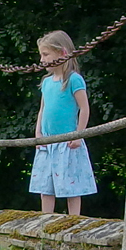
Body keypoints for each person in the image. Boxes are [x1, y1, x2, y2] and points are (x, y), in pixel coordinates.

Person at [30, 30, 96, 215]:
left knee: (71, 184)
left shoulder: (73, 80)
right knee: (45, 185)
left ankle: (73, 219)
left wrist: (78, 135)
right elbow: (42, 109)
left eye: (45, 54)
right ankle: (45, 218)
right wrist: (38, 134)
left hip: (68, 142)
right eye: (41, 55)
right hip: (47, 141)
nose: (42, 60)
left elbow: (84, 108)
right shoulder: (46, 82)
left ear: (62, 53)